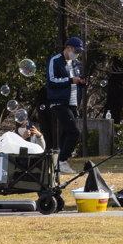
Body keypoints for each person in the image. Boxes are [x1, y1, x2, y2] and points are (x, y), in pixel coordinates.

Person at [47, 37, 87, 173]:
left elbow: (76, 81)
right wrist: (70, 80)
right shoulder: (55, 60)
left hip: (73, 102)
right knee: (74, 131)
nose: (77, 54)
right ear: (68, 47)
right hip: (59, 101)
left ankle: (57, 163)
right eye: (76, 50)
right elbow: (52, 81)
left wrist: (82, 82)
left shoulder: (76, 63)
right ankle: (63, 161)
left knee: (66, 132)